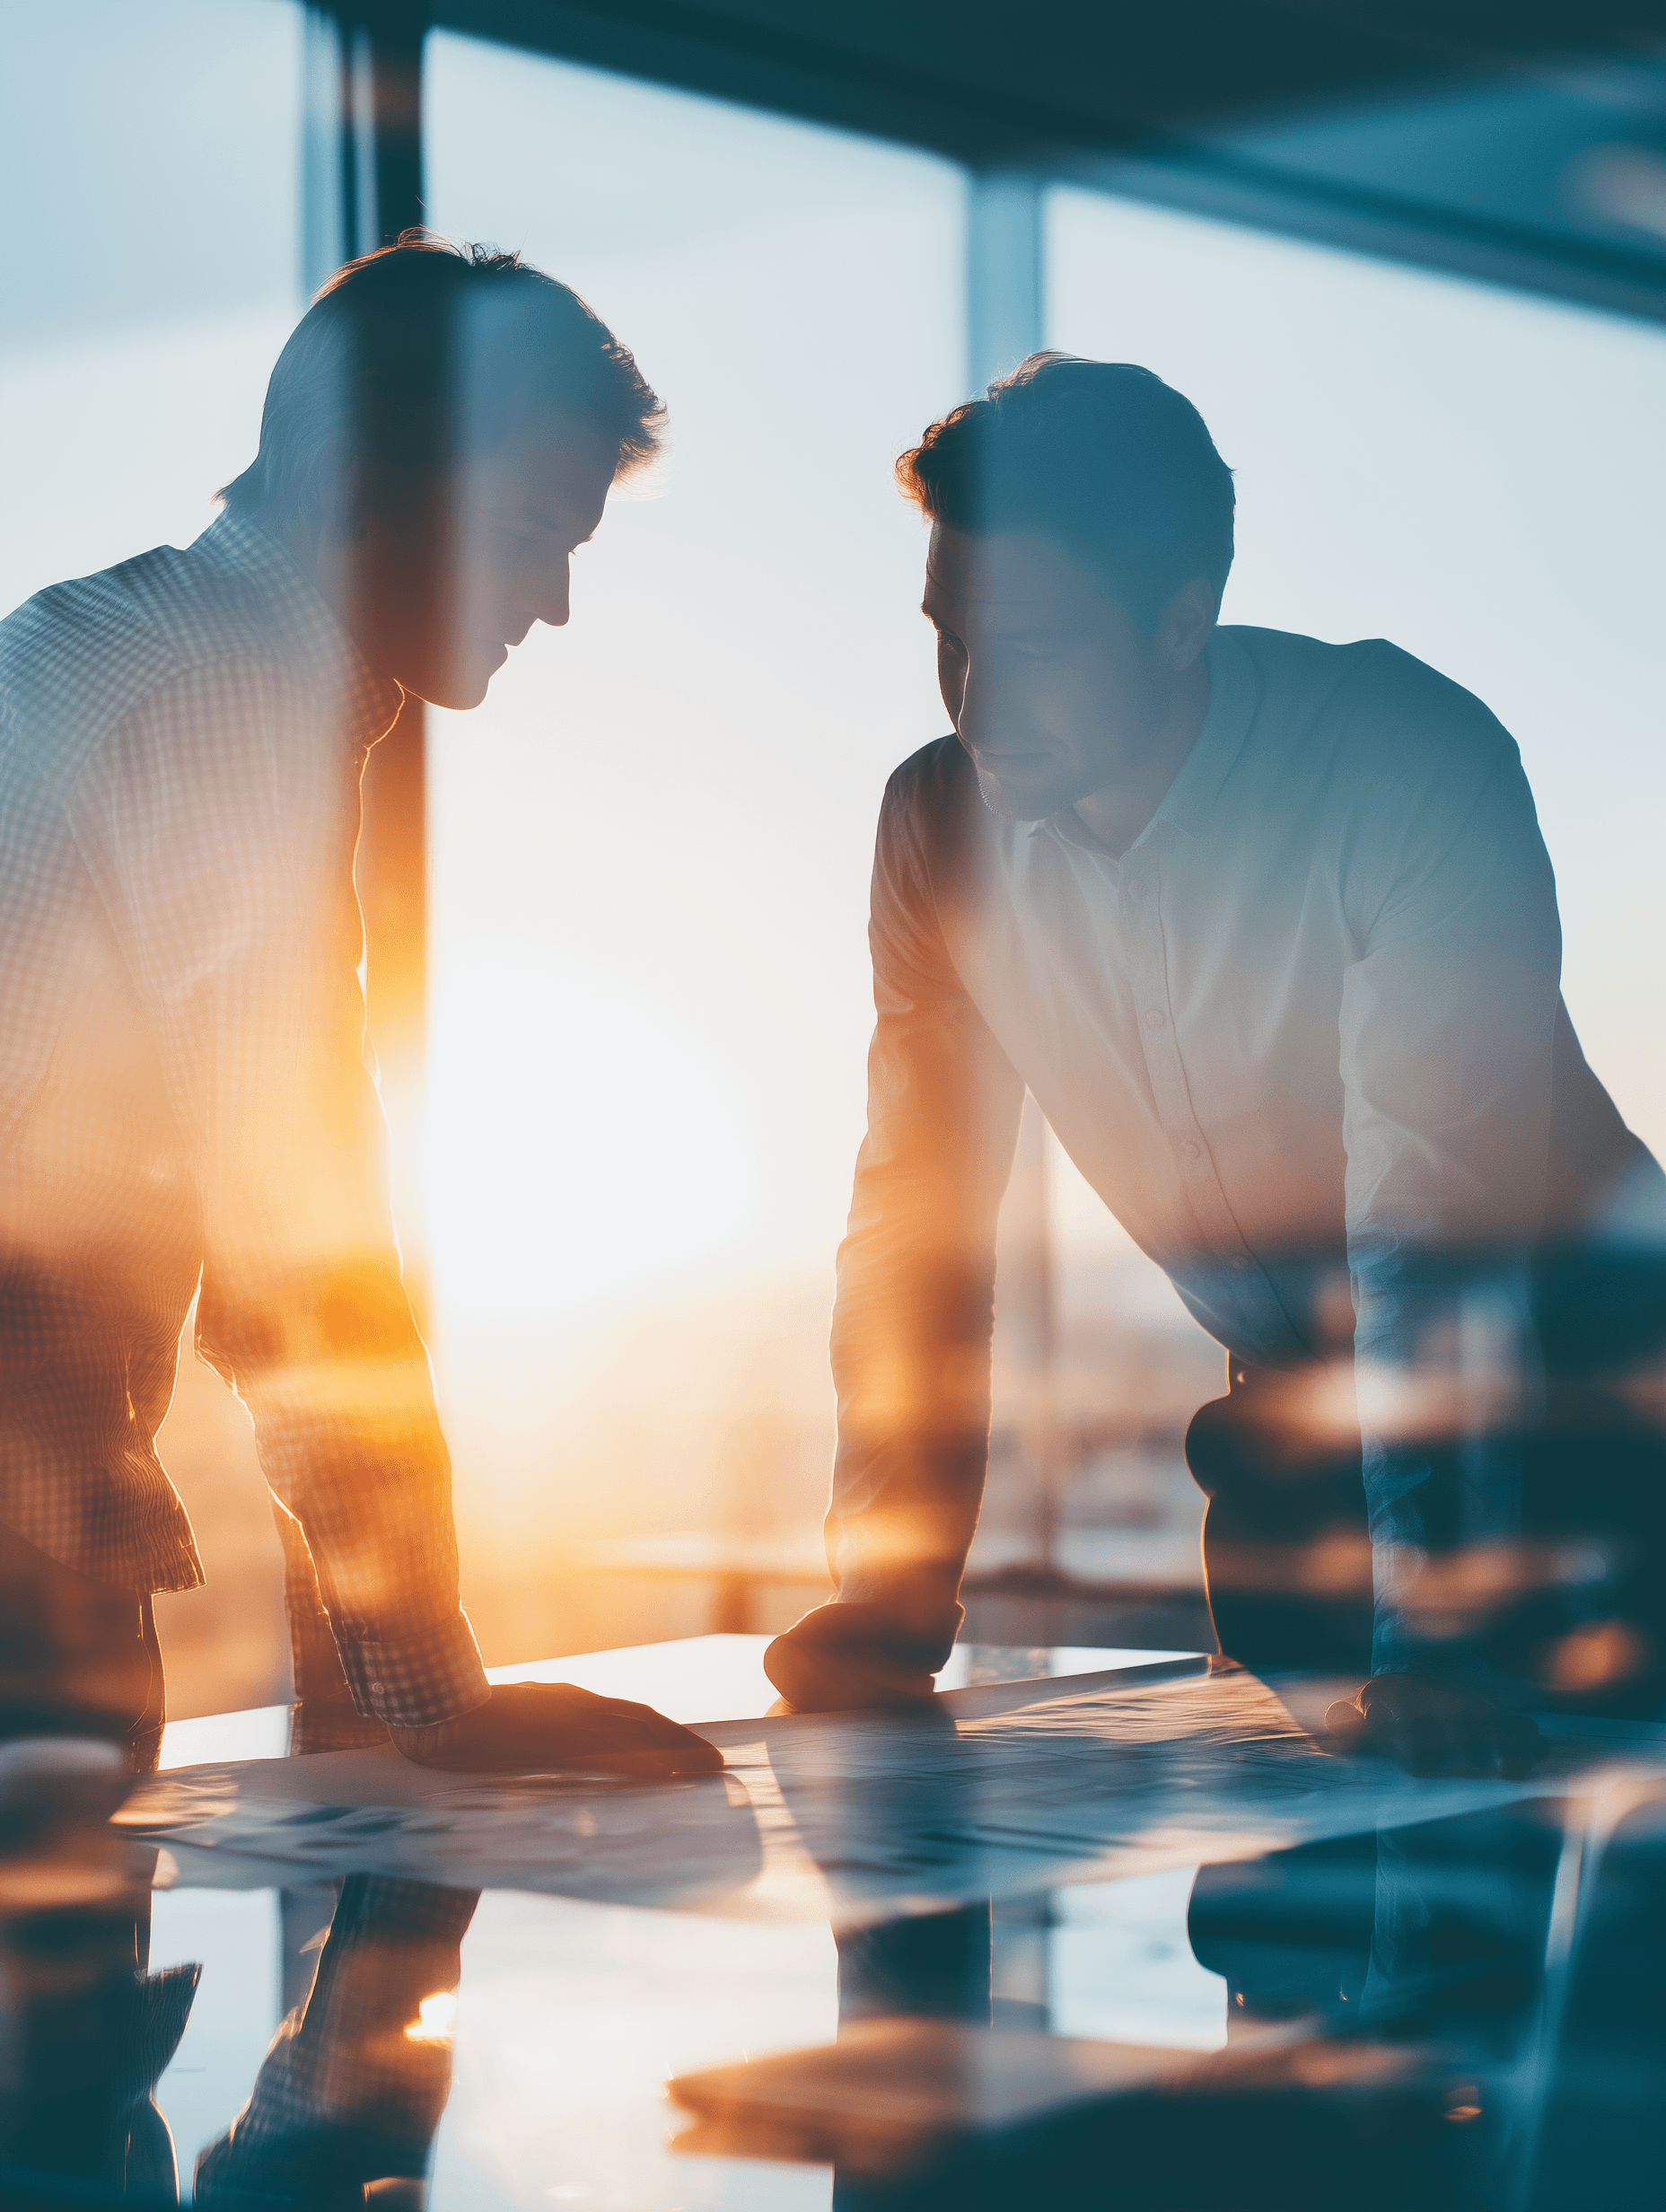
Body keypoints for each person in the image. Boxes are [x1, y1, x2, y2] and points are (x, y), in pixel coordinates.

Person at [765, 355, 1666, 1771]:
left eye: (1035, 648)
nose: (976, 706)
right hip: (1287, 1441)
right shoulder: (935, 828)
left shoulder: (1407, 760)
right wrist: (890, 1597)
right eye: (949, 636)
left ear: (1183, 621)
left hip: (1601, 1420)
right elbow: (917, 1226)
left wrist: (1438, 1636)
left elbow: (1429, 1231)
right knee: (1277, 1877)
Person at [0, 234, 719, 1781]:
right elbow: (297, 1246)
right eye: (528, 532)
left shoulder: (91, 640)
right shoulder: (229, 700)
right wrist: (434, 1693)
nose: (555, 602)